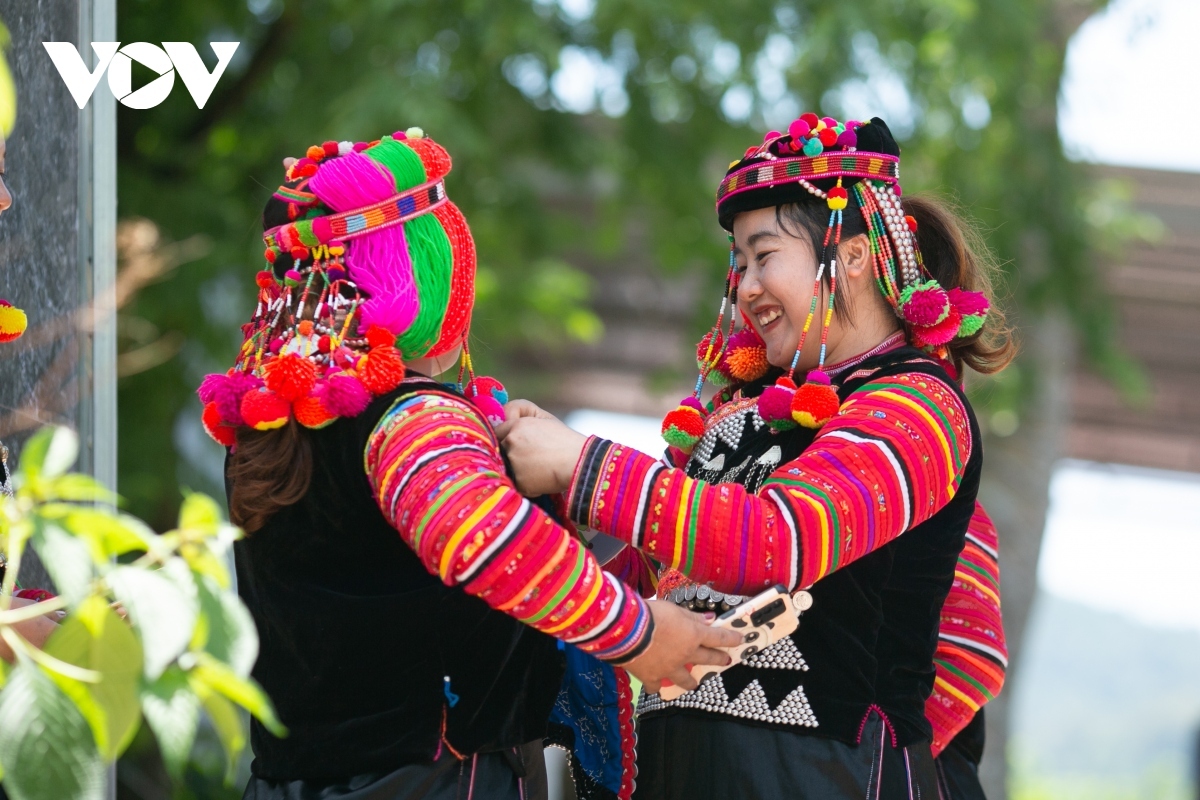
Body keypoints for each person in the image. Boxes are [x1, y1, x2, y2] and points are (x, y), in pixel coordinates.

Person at [200, 128, 741, 800]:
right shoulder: (414, 417)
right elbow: (480, 539)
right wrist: (640, 634)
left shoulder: (268, 433)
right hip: (429, 780)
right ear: (427, 275)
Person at [499, 113, 1014, 798]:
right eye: (739, 263)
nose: (744, 286)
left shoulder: (918, 408)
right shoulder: (744, 413)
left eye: (765, 256)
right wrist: (533, 501)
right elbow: (651, 575)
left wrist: (581, 463)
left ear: (853, 256)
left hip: (830, 777)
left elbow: (775, 541)